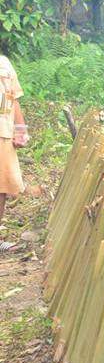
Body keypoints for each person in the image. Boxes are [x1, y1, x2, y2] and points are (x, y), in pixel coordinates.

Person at [0, 55, 26, 231]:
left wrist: (21, 129)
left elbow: (12, 99)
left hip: (3, 134)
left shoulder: (4, 63)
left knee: (2, 187)